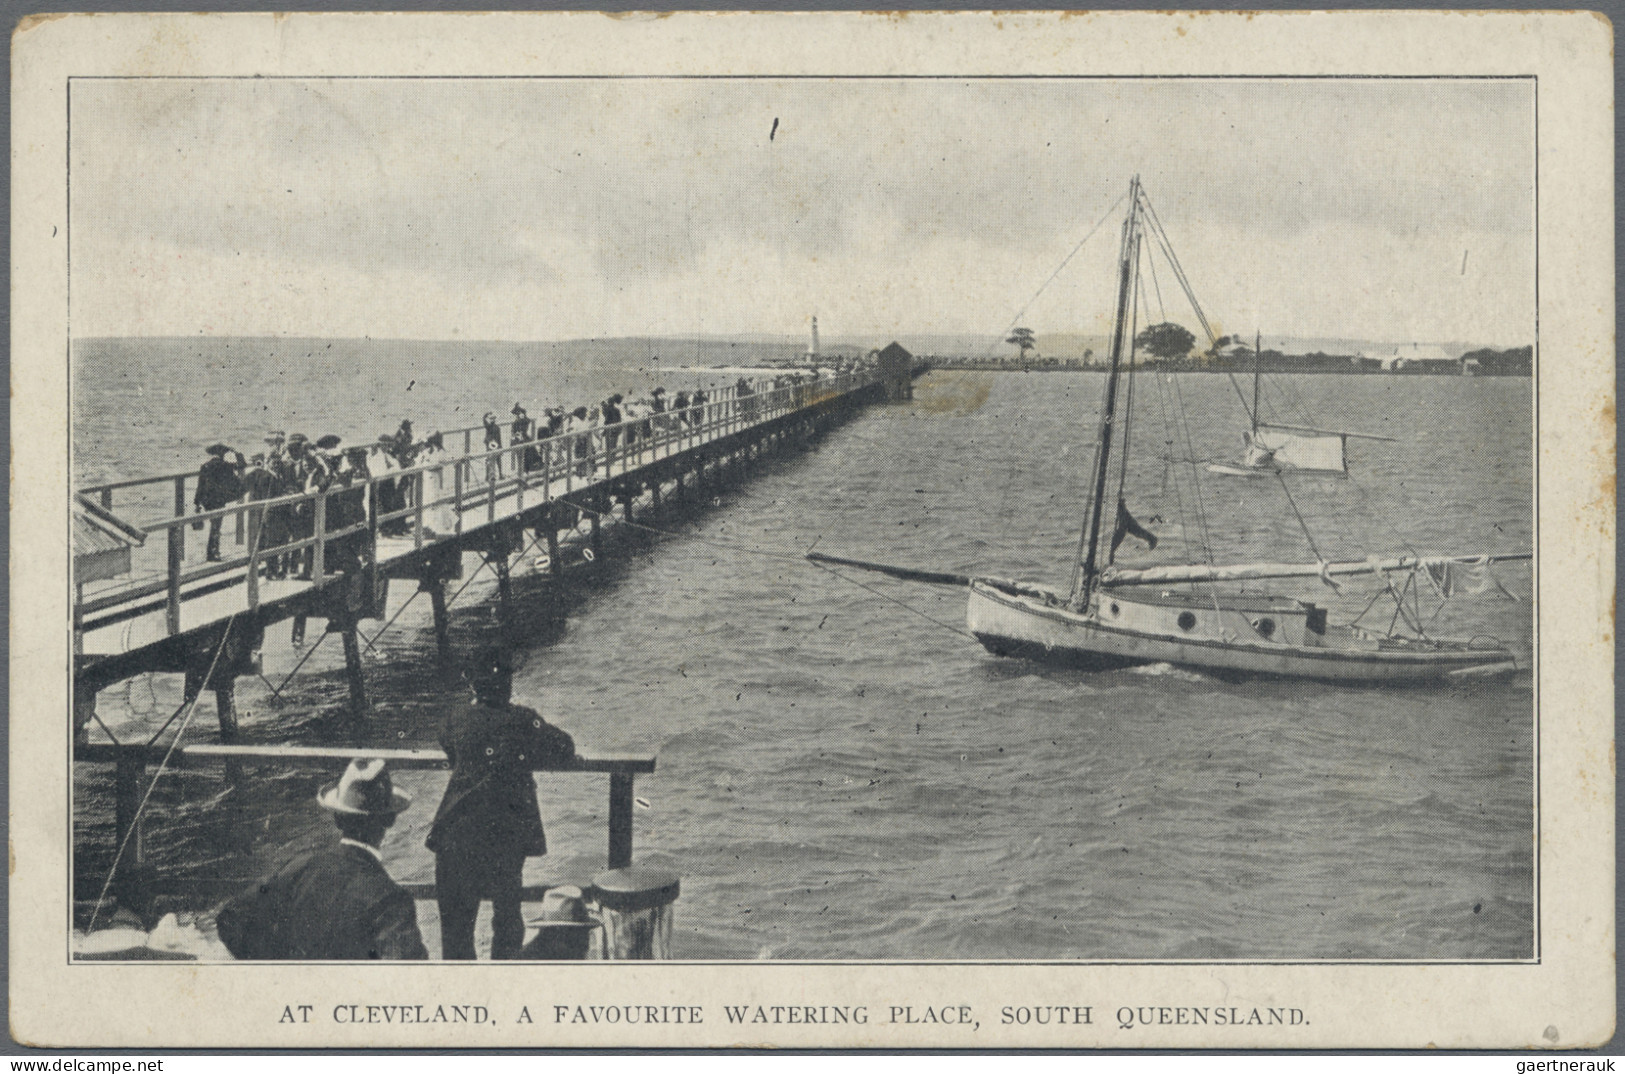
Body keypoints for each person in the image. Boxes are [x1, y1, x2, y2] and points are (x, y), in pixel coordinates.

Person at [427, 647, 576, 960]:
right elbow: (564, 746)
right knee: (507, 922)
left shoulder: (457, 717)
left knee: (456, 933)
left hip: (455, 834)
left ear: (473, 687)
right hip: (504, 836)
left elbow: (448, 744)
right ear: (507, 685)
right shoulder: (522, 720)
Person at [215, 759, 428, 961]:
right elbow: (407, 977)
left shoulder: (299, 866)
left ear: (337, 818)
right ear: (389, 820)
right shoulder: (391, 900)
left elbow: (231, 917)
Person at [194, 444, 245, 562]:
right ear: (223, 454)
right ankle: (213, 552)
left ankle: (211, 552)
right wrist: (237, 453)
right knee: (216, 527)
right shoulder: (225, 466)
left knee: (214, 526)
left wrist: (197, 504)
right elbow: (241, 467)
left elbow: (200, 486)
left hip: (206, 500)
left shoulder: (205, 466)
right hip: (218, 499)